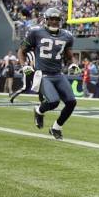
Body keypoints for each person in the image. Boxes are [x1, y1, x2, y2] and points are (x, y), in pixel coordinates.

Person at [17, 8, 76, 140]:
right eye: (51, 19)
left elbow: (69, 55)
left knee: (71, 102)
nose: (54, 22)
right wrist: (24, 65)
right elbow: (21, 51)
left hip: (58, 74)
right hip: (42, 74)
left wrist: (73, 63)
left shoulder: (67, 35)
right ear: (46, 19)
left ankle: (56, 128)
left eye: (57, 19)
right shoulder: (36, 32)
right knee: (54, 101)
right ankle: (39, 110)